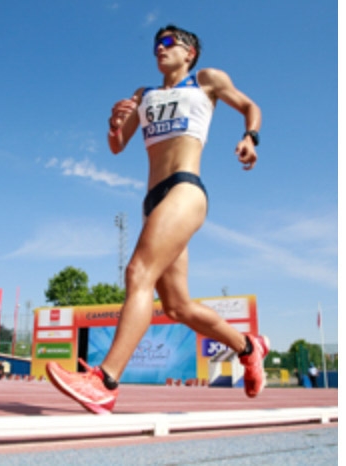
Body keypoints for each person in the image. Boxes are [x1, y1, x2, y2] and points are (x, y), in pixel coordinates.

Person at [46, 24, 270, 414]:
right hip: (154, 200)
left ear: (190, 53)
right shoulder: (143, 94)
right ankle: (249, 347)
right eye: (156, 44)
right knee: (178, 306)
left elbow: (251, 106)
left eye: (169, 43)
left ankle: (105, 382)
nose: (159, 49)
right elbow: (117, 146)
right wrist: (113, 124)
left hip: (186, 189)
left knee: (138, 274)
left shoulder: (206, 80)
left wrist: (251, 137)